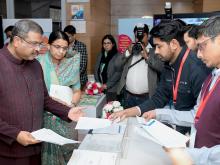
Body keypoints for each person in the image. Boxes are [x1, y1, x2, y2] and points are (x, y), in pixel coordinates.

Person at [0, 19, 83, 165]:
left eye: (40, 44)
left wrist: (67, 112)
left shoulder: (35, 65)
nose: (38, 49)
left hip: (37, 148)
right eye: (34, 44)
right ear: (17, 41)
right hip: (9, 153)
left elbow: (44, 99)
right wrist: (15, 134)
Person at [143, 16, 220, 164]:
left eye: (202, 46)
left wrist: (191, 155)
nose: (198, 54)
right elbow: (196, 116)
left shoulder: (201, 71)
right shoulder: (211, 77)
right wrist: (159, 113)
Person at [110, 20, 209, 134]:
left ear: (174, 44)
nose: (156, 51)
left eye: (159, 46)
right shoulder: (169, 63)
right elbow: (159, 98)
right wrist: (129, 112)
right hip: (178, 128)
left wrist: (160, 114)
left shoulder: (198, 68)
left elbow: (202, 115)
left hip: (194, 133)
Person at [37, 30, 81, 165]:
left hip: (67, 117)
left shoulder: (71, 64)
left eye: (64, 48)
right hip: (45, 117)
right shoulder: (38, 63)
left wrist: (72, 105)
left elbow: (77, 90)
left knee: (69, 153)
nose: (61, 51)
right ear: (49, 45)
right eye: (57, 47)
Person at [117, 24, 163, 108]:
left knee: (145, 121)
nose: (139, 39)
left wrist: (147, 57)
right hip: (128, 96)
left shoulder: (155, 51)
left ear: (148, 36)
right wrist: (128, 52)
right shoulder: (131, 50)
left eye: (142, 36)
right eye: (137, 36)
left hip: (147, 98)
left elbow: (161, 68)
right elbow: (117, 65)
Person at [94, 34, 124, 102]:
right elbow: (96, 70)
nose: (106, 45)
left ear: (113, 44)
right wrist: (98, 84)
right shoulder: (100, 55)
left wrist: (106, 85)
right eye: (104, 43)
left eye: (108, 43)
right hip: (100, 88)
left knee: (110, 109)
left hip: (112, 89)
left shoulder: (118, 56)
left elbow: (118, 73)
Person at [64, 25, 88, 90]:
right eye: (65, 36)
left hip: (79, 80)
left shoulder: (81, 46)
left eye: (68, 36)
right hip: (65, 80)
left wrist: (72, 78)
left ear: (74, 35)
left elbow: (83, 65)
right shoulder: (63, 45)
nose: (66, 39)